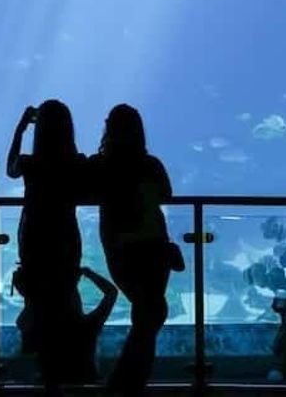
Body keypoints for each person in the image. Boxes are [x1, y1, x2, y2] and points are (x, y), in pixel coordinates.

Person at [86, 104, 180, 396]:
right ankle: (127, 381)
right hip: (154, 245)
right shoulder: (150, 164)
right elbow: (167, 194)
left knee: (148, 311)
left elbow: (85, 191)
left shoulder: (100, 164)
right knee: (152, 310)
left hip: (120, 247)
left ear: (108, 129)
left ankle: (127, 382)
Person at [6, 100, 86, 391]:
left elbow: (10, 169)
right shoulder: (76, 163)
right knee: (64, 301)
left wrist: (20, 128)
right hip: (65, 239)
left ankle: (46, 373)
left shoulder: (31, 163)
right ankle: (65, 372)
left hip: (35, 241)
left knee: (39, 305)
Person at [15, 266, 118, 385]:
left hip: (50, 385)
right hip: (84, 381)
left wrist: (33, 293)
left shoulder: (44, 326)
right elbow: (111, 292)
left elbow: (23, 320)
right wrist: (89, 273)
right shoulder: (88, 326)